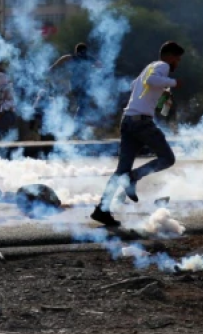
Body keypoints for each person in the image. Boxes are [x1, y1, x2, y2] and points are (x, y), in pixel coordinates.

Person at [91, 41, 185, 228]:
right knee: (167, 158)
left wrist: (162, 93)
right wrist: (173, 83)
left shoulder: (149, 67)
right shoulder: (162, 66)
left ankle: (102, 210)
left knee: (120, 171)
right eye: (177, 59)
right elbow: (150, 81)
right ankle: (133, 177)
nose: (177, 63)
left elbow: (137, 84)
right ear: (169, 56)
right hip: (141, 122)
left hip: (128, 120)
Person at [49, 42, 100, 123]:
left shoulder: (74, 57)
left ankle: (76, 123)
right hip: (84, 85)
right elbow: (99, 65)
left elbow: (65, 57)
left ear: (76, 51)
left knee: (82, 104)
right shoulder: (88, 58)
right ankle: (76, 123)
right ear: (85, 50)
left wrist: (54, 66)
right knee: (83, 105)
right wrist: (92, 68)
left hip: (74, 85)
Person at [0, 72, 17, 140]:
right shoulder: (6, 88)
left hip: (5, 116)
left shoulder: (4, 88)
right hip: (8, 116)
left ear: (1, 80)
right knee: (6, 137)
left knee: (1, 137)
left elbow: (4, 105)